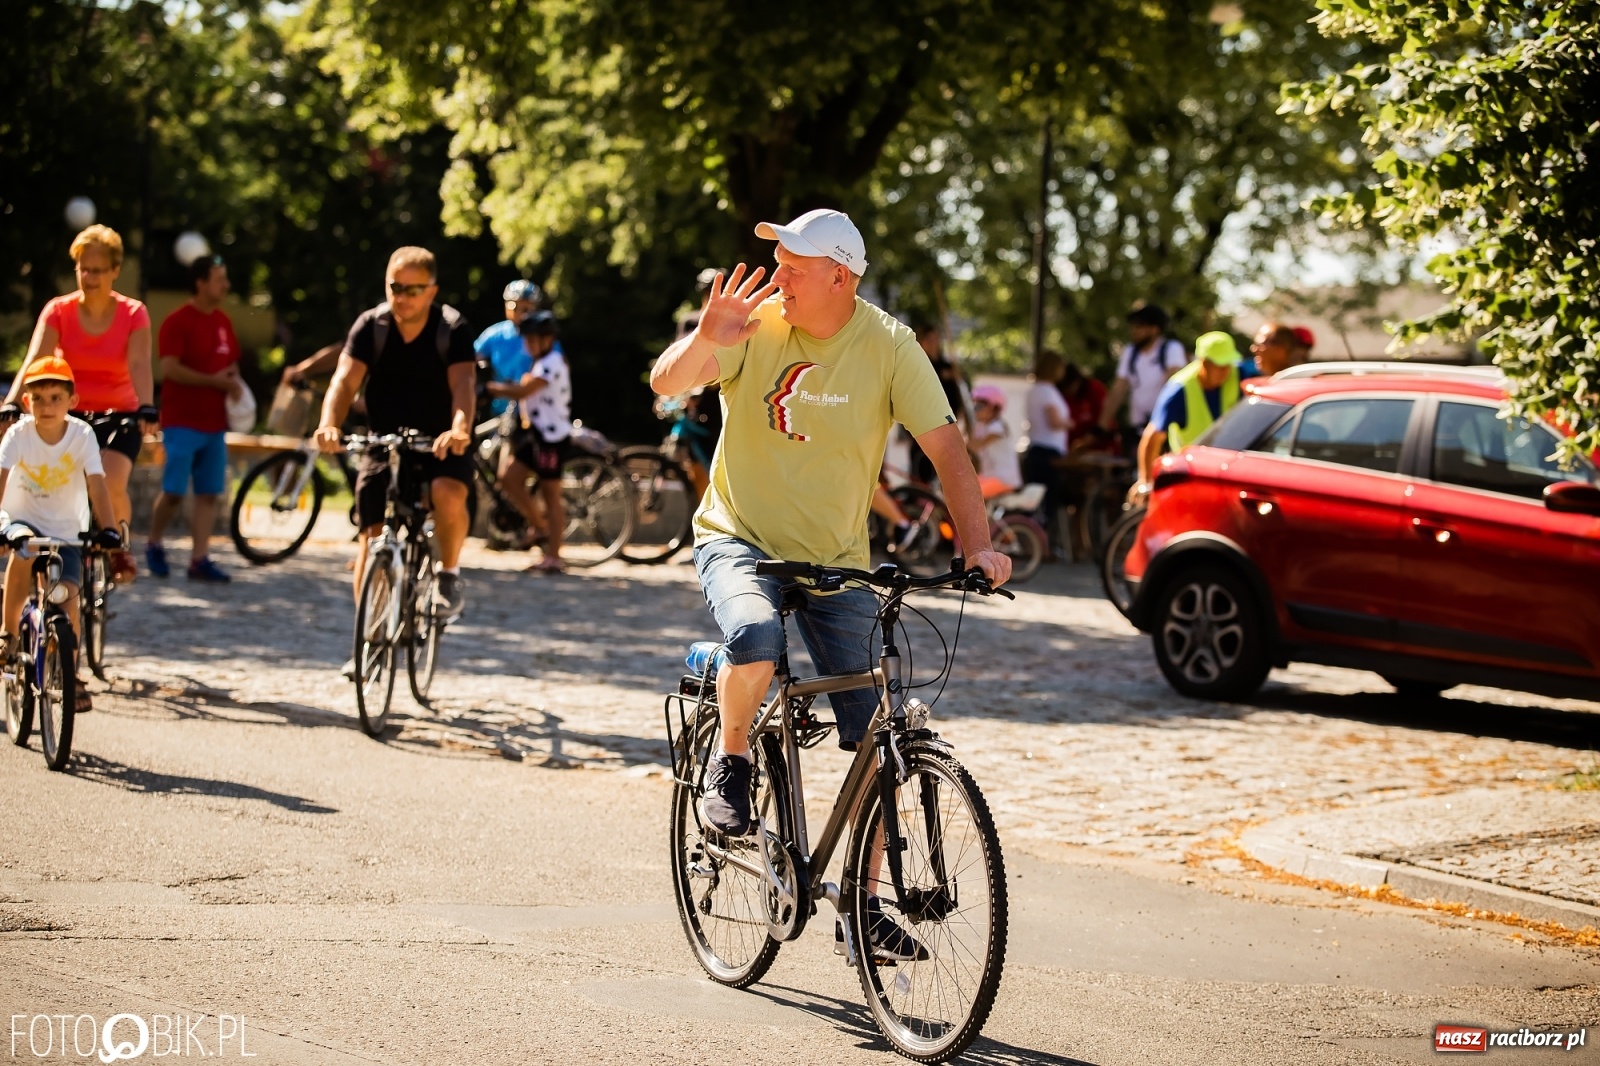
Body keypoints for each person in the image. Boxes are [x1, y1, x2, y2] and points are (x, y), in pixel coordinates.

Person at [648, 209, 1009, 958]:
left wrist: (978, 544)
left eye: (793, 266)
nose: (777, 277)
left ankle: (859, 904)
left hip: (836, 558)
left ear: (840, 276)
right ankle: (735, 760)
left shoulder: (889, 345)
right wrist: (702, 343)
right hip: (738, 537)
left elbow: (945, 447)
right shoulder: (757, 325)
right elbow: (664, 383)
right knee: (754, 636)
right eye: (776, 262)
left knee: (881, 733)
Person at [314, 246, 476, 653]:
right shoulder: (372, 326)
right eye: (394, 287)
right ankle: (369, 638)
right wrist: (328, 423)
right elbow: (343, 383)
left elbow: (463, 387)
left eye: (412, 289)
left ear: (432, 290)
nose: (401, 296)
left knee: (448, 493)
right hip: (384, 440)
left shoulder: (451, 329)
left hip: (440, 439)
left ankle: (449, 574)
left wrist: (459, 429)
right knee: (370, 540)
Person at [4, 225, 155, 585]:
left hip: (118, 415)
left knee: (110, 478)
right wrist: (11, 402)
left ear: (115, 271)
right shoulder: (59, 311)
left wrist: (147, 406)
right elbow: (35, 359)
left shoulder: (134, 313)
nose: (89, 277)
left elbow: (139, 364)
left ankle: (118, 547)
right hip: (65, 413)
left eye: (98, 270)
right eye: (83, 269)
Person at [0, 357, 123, 713]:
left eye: (56, 397)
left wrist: (110, 529)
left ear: (72, 401)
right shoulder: (18, 434)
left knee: (68, 596)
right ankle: (8, 639)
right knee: (23, 551)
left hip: (66, 528)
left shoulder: (81, 435)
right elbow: (2, 478)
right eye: (38, 398)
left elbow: (97, 484)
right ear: (27, 403)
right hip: (19, 518)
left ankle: (69, 673)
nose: (47, 405)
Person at [145, 255, 241, 583]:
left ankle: (199, 559)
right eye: (219, 279)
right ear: (200, 282)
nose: (225, 285)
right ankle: (154, 543)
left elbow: (230, 365)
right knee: (173, 491)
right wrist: (215, 381)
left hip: (215, 424)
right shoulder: (177, 321)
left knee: (208, 493)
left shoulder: (223, 322)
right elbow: (170, 368)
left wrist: (233, 384)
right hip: (181, 421)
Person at [486, 311, 573, 572]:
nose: (530, 345)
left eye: (535, 340)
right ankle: (539, 525)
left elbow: (524, 391)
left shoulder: (552, 362)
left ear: (548, 340)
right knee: (508, 477)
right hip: (533, 435)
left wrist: (491, 388)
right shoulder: (540, 362)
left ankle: (554, 556)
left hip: (551, 438)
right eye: (528, 340)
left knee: (551, 495)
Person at [1132, 331, 1255, 496]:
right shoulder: (1178, 391)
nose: (1226, 370)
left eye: (1228, 363)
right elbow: (1152, 438)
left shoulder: (1239, 374)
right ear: (1203, 363)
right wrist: (1146, 482)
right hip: (1192, 477)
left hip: (1231, 472)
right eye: (1220, 365)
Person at [1100, 303, 1188, 442]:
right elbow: (1118, 389)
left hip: (1163, 430)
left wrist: (1160, 418)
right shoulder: (1130, 352)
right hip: (1137, 430)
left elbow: (1173, 386)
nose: (1133, 330)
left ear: (1154, 329)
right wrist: (1101, 426)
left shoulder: (1171, 349)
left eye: (1138, 325)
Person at [474, 280, 563, 418]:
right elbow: (469, 359)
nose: (521, 314)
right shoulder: (495, 334)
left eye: (527, 309)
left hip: (539, 414)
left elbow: (530, 387)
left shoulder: (545, 338)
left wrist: (490, 388)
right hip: (501, 411)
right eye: (515, 307)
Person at [905, 319, 973, 484]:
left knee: (943, 469)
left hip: (946, 421)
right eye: (929, 339)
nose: (934, 343)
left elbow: (964, 390)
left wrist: (958, 376)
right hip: (923, 423)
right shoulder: (917, 363)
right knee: (922, 467)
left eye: (936, 338)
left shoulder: (948, 365)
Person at [1022, 350, 1071, 553]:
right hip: (1049, 452)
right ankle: (1042, 546)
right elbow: (1054, 421)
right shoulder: (1048, 391)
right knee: (1047, 503)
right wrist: (1070, 423)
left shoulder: (1033, 390)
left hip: (1035, 449)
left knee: (1035, 501)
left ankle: (1032, 545)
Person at [970, 384, 1022, 497]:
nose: (975, 410)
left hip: (1003, 479)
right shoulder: (980, 427)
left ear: (993, 408)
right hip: (988, 476)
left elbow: (974, 446)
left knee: (969, 496)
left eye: (978, 406)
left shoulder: (998, 427)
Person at [1057, 362, 1113, 452]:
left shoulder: (1094, 389)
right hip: (1071, 451)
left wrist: (1089, 439)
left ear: (1076, 381)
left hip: (1101, 449)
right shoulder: (1063, 397)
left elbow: (1106, 421)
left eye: (1068, 387)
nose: (1067, 391)